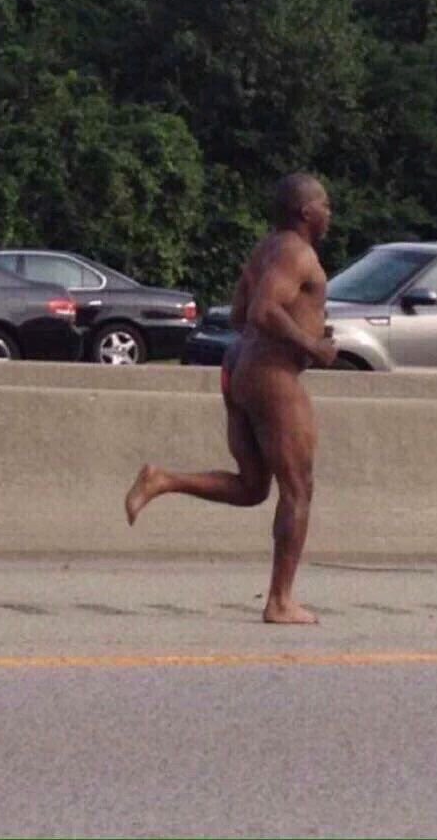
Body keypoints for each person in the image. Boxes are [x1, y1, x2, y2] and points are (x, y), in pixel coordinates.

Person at [124, 173, 337, 624]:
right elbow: (262, 311)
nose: (329, 213)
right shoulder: (297, 253)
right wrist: (311, 345)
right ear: (306, 212)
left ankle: (162, 479)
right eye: (325, 205)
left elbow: (241, 314)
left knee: (253, 487)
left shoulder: (266, 249)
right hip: (272, 377)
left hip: (239, 367)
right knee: (299, 489)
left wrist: (301, 330)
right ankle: (280, 601)